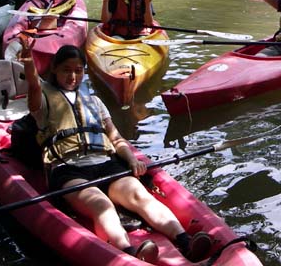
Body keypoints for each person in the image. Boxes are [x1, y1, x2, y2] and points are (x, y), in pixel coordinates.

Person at [19, 42, 212, 263]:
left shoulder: (95, 102)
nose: (72, 76)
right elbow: (34, 86)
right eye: (66, 70)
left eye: (78, 70)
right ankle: (128, 252)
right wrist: (28, 63)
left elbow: (116, 138)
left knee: (140, 195)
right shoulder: (43, 101)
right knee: (101, 204)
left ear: (84, 71)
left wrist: (131, 160)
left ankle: (185, 241)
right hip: (68, 170)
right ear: (54, 69)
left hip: (105, 164)